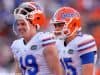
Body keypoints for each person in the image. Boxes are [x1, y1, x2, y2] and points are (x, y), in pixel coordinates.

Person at [11, 2, 64, 75]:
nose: (19, 27)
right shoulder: (16, 45)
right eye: (18, 24)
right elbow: (18, 72)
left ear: (35, 22)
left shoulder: (44, 41)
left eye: (23, 24)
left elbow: (57, 72)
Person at [50, 7, 97, 75]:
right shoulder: (58, 44)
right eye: (56, 25)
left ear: (73, 24)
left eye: (60, 25)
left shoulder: (84, 41)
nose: (57, 29)